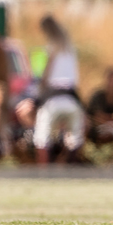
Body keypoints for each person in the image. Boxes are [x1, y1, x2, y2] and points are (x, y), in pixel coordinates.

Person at [32, 15, 85, 165]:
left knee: (42, 138)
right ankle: (71, 170)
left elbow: (45, 77)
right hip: (72, 100)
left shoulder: (51, 49)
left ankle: (45, 172)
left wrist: (37, 96)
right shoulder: (70, 50)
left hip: (53, 100)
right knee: (75, 138)